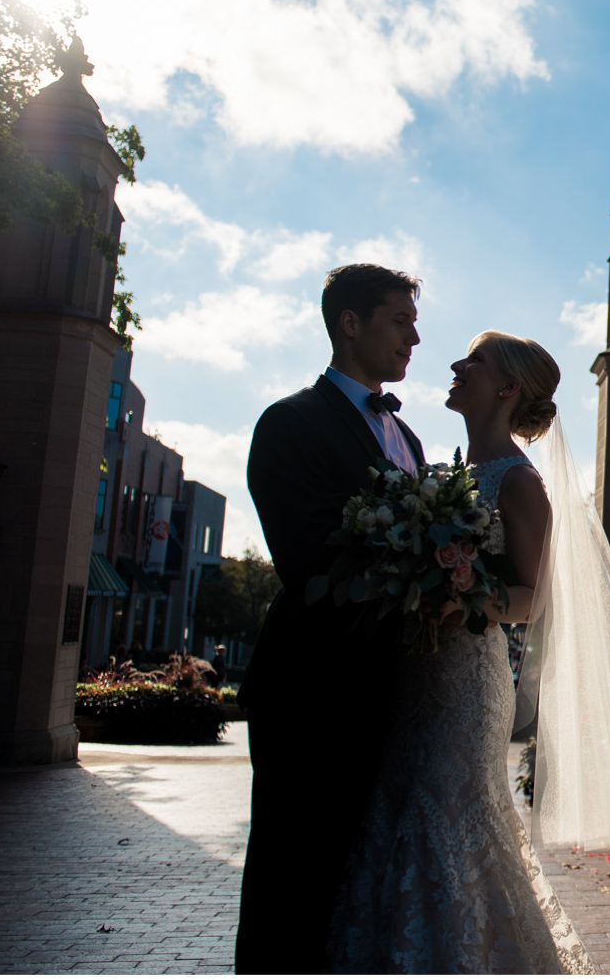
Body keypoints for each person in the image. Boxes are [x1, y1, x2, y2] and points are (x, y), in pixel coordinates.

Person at [324, 330, 568, 971]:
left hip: (466, 682)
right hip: (412, 675)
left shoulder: (520, 483)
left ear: (509, 387)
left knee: (449, 817)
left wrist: (469, 601)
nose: (457, 366)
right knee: (401, 807)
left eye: (475, 360)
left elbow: (532, 597)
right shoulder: (439, 471)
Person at [237, 263, 430, 973]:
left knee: (356, 883)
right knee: (293, 881)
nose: (415, 336)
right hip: (312, 692)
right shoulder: (291, 423)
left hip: (392, 696)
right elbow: (307, 561)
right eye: (399, 320)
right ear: (350, 323)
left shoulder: (408, 443)